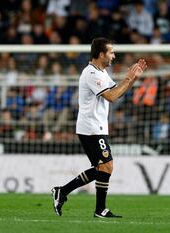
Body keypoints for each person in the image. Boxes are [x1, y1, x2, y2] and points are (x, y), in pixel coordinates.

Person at [51, 37, 147, 218]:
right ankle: (98, 209)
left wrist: (132, 79)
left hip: (97, 127)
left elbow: (117, 92)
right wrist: (128, 78)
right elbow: (111, 96)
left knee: (101, 168)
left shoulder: (101, 72)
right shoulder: (91, 74)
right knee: (106, 166)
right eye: (111, 52)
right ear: (101, 54)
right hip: (91, 128)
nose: (114, 56)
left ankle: (63, 192)